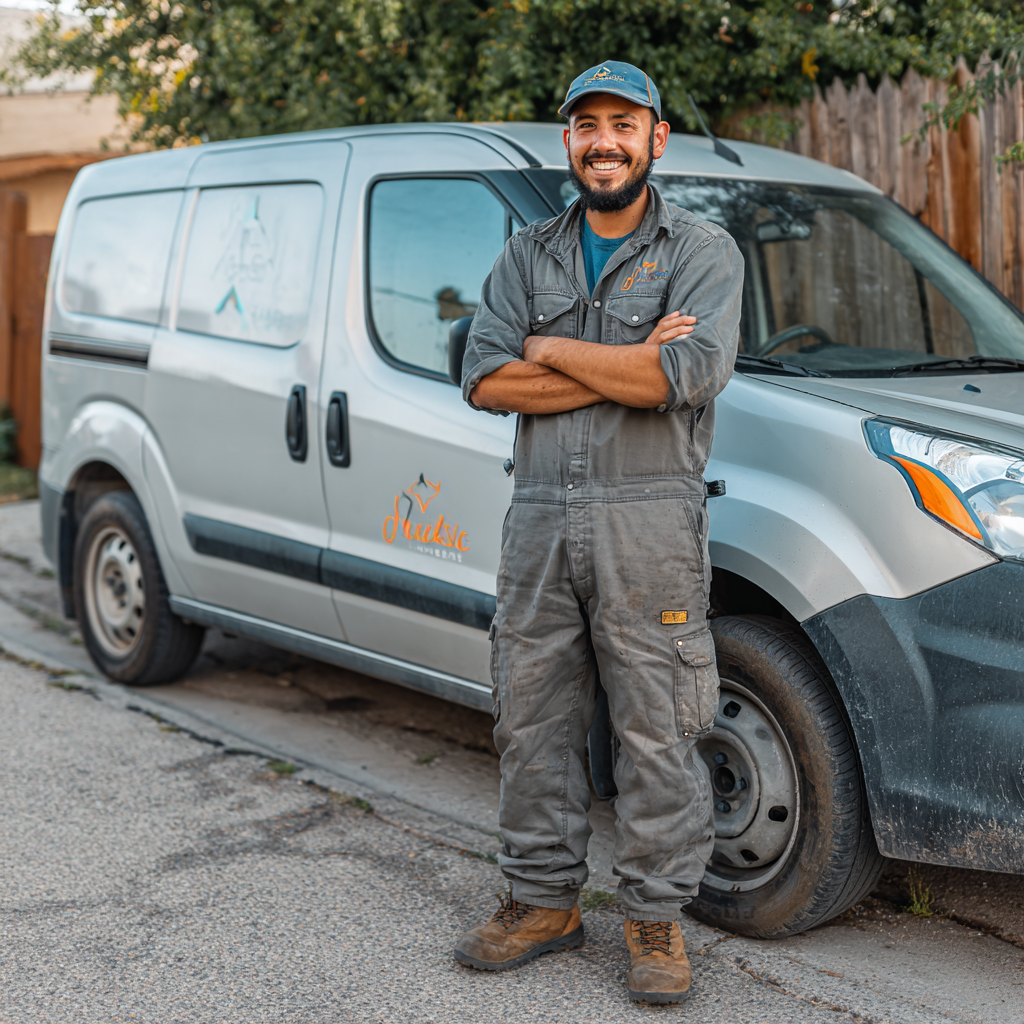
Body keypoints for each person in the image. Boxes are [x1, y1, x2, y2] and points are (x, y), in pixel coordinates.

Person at [454, 60, 744, 1005]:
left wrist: (549, 350)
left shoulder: (702, 251)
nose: (605, 141)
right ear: (568, 140)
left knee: (657, 727)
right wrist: (624, 361)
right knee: (531, 718)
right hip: (539, 515)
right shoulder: (525, 255)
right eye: (588, 125)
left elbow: (682, 378)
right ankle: (544, 902)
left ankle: (655, 919)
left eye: (624, 123)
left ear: (656, 138)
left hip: (648, 519)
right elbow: (485, 379)